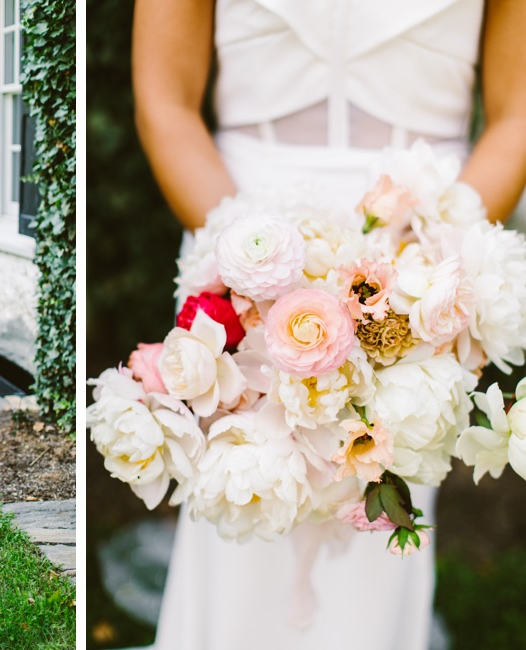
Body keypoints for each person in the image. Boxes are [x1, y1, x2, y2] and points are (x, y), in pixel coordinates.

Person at [128, 0, 526, 648]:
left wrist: (428, 278)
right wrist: (251, 272)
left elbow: (517, 117)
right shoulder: (239, 253)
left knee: (385, 498)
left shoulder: (427, 272)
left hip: (424, 256)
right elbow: (166, 101)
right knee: (240, 487)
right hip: (236, 230)